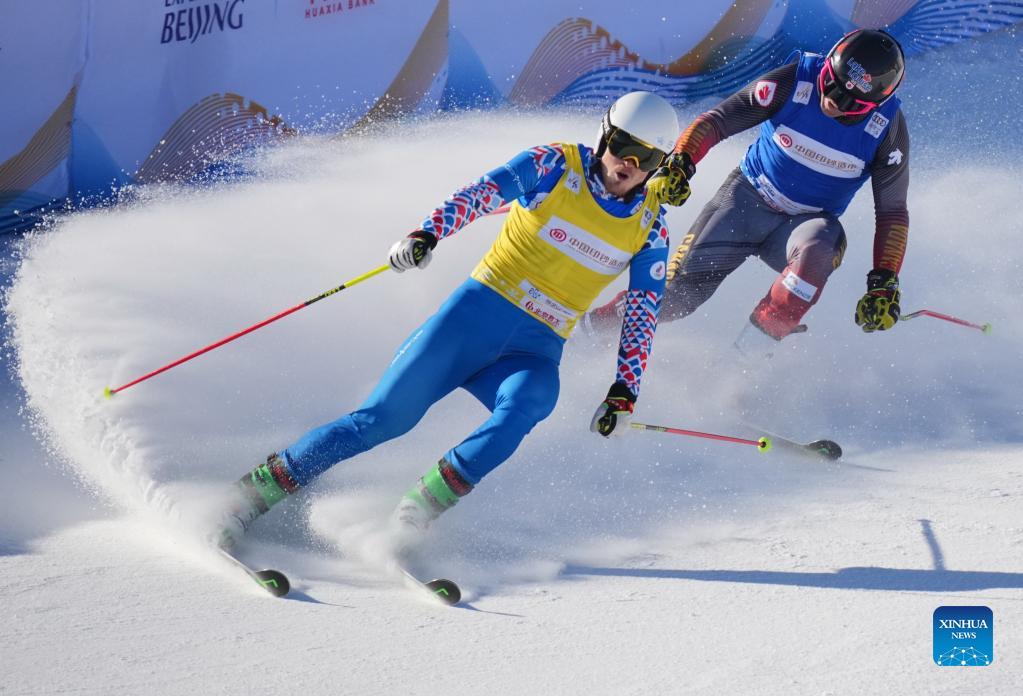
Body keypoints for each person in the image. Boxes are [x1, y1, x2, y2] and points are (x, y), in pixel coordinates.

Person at [216, 91, 682, 553]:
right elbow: (481, 194)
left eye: (646, 157)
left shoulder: (650, 226)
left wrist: (624, 392)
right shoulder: (555, 165)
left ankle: (418, 510)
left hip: (534, 349)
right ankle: (248, 496)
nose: (629, 163)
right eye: (624, 145)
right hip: (472, 320)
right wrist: (427, 232)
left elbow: (642, 311)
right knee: (381, 420)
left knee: (534, 399)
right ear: (604, 136)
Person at [585, 29, 910, 359]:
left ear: (876, 105)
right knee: (674, 297)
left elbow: (893, 212)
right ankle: (590, 330)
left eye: (850, 102)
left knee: (817, 258)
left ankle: (743, 367)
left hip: (806, 226)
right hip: (744, 202)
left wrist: (884, 281)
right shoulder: (795, 80)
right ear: (826, 65)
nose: (832, 100)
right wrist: (681, 163)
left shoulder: (887, 130)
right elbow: (717, 121)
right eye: (830, 82)